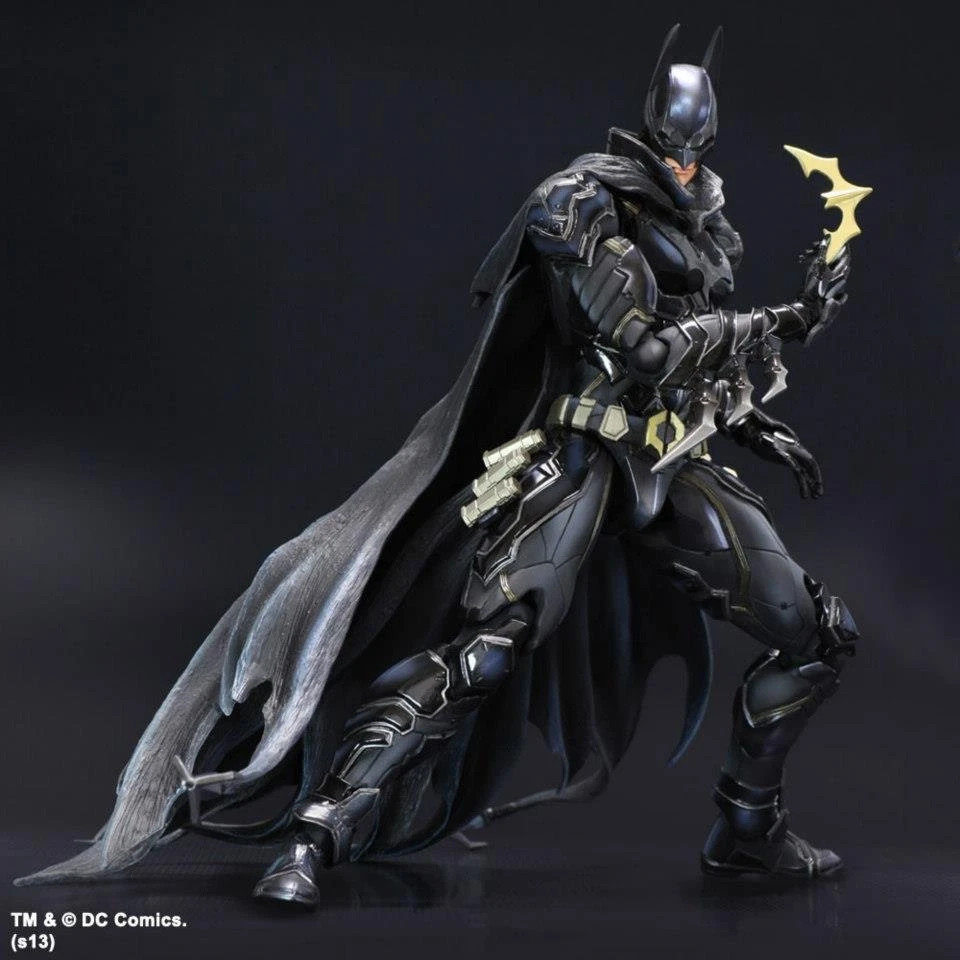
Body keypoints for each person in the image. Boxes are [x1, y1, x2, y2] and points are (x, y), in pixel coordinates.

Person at [17, 24, 859, 906]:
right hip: (579, 458)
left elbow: (686, 372)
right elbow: (643, 349)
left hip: (667, 466)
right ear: (651, 130)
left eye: (697, 151)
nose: (686, 165)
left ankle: (747, 832)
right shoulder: (577, 202)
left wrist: (754, 423)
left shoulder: (707, 223)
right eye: (675, 148)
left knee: (820, 636)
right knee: (485, 650)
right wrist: (787, 322)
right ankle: (316, 831)